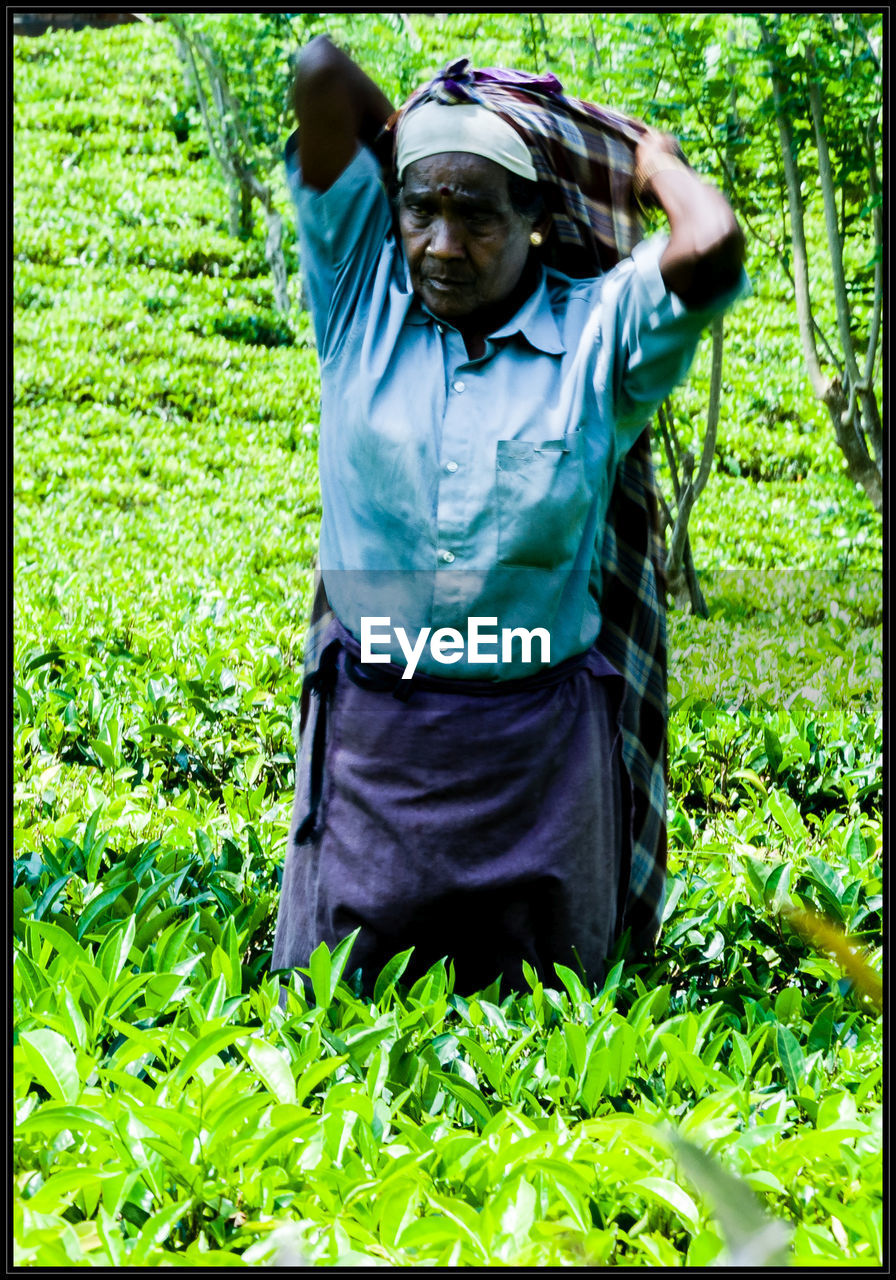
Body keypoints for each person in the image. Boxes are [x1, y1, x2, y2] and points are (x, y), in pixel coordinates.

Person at [271, 37, 746, 998]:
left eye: (477, 213)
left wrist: (656, 165)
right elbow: (322, 73)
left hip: (537, 753)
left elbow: (711, 248)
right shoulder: (360, 301)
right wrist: (431, 127)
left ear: (536, 217)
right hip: (378, 742)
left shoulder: (598, 336)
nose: (443, 245)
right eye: (421, 210)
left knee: (548, 1028)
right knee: (345, 1015)